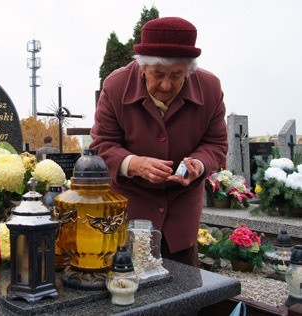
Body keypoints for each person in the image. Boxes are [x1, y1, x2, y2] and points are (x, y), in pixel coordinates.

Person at [90, 17, 228, 267]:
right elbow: (102, 144)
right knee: (126, 286)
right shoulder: (115, 86)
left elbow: (216, 143)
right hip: (130, 210)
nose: (166, 85)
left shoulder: (210, 88)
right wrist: (134, 164)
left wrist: (198, 164)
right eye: (158, 74)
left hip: (181, 213)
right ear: (142, 67)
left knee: (183, 290)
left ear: (189, 70)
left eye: (177, 75)